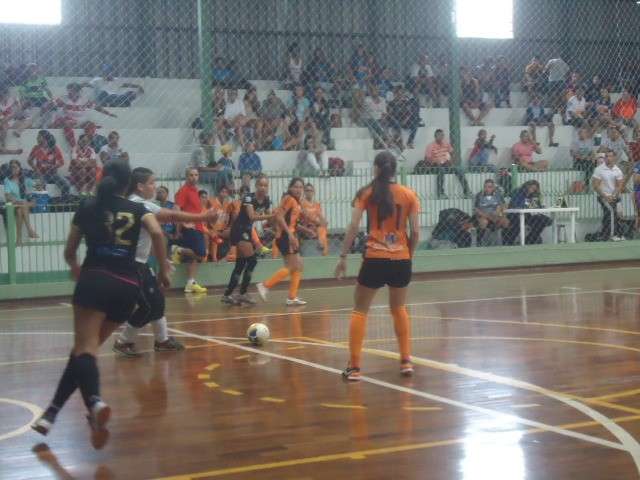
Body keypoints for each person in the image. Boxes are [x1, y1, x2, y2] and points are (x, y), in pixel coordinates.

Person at [31, 160, 170, 449]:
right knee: (85, 353)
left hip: (95, 279)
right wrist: (165, 269)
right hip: (128, 287)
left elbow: (69, 250)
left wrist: (74, 267)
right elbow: (157, 233)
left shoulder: (88, 206)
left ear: (103, 178)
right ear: (128, 184)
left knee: (84, 350)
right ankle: (51, 413)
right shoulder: (138, 208)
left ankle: (94, 402)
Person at [112, 168, 218, 357]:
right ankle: (124, 341)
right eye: (152, 183)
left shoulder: (124, 204)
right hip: (132, 265)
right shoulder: (142, 205)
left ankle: (161, 340)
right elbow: (172, 216)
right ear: (140, 186)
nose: (155, 186)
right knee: (148, 305)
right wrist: (203, 217)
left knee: (156, 300)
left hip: (130, 262)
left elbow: (144, 237)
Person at [335, 152, 420, 381]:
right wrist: (407, 255)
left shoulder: (366, 193)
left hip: (374, 258)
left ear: (375, 169)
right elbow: (416, 232)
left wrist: (343, 256)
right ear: (394, 170)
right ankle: (405, 362)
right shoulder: (409, 194)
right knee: (399, 309)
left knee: (360, 310)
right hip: (401, 259)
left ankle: (354, 367)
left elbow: (353, 225)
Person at [222, 174, 273, 305]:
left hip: (247, 231)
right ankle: (242, 293)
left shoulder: (266, 200)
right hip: (239, 230)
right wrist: (272, 215)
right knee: (252, 261)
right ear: (256, 186)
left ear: (268, 187)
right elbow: (251, 216)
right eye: (260, 185)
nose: (263, 187)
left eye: (265, 185)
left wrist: (276, 222)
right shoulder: (249, 198)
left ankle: (228, 295)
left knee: (241, 264)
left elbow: (269, 218)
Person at [256, 177, 307, 306]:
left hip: (290, 235)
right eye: (296, 186)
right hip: (285, 235)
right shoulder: (289, 199)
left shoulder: (296, 202)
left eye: (301, 187)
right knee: (292, 266)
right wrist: (290, 234)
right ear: (290, 188)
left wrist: (306, 230)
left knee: (299, 265)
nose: (298, 189)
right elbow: (279, 216)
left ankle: (292, 297)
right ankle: (264, 285)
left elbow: (293, 222)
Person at [174, 168, 209, 294]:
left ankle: (190, 283)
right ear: (186, 176)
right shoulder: (183, 190)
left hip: (198, 227)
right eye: (191, 175)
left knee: (194, 258)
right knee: (201, 254)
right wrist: (184, 224)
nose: (194, 177)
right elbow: (176, 209)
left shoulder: (195, 191)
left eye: (196, 175)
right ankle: (177, 250)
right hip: (191, 229)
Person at [418, 129, 471, 199]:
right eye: (439, 135)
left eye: (442, 135)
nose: (441, 137)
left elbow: (452, 153)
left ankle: (467, 191)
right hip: (435, 166)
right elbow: (426, 159)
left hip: (446, 164)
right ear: (435, 136)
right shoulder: (430, 146)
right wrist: (435, 161)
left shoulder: (446, 144)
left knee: (459, 169)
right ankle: (440, 193)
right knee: (441, 170)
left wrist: (451, 161)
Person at [503, 180, 552, 245]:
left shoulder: (534, 195)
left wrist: (537, 203)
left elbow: (534, 207)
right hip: (515, 215)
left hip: (528, 215)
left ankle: (530, 239)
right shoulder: (518, 192)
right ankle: (510, 242)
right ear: (527, 186)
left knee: (546, 220)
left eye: (535, 189)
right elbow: (516, 205)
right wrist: (528, 204)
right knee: (518, 222)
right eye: (532, 188)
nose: (533, 190)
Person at [27, 130, 71, 199]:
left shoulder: (54, 148)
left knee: (66, 185)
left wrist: (53, 166)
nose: (37, 138)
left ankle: (63, 200)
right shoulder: (36, 148)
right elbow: (29, 160)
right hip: (40, 173)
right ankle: (41, 202)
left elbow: (61, 162)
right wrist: (36, 169)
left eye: (39, 137)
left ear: (44, 138)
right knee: (39, 185)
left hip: (52, 173)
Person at [592, 150, 625, 241]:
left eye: (610, 156)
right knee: (611, 211)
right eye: (606, 156)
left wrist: (613, 196)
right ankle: (612, 235)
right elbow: (595, 186)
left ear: (614, 157)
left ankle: (611, 234)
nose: (607, 158)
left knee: (618, 214)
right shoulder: (599, 169)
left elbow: (619, 185)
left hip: (614, 196)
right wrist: (606, 196)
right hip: (602, 196)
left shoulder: (617, 170)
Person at [3, 159, 38, 243]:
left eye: (15, 167)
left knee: (21, 208)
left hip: (26, 203)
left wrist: (32, 193)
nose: (13, 170)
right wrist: (17, 201)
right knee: (20, 209)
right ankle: (30, 230)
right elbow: (7, 196)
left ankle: (19, 238)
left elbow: (38, 186)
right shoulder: (7, 180)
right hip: (14, 204)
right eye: (11, 168)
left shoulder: (26, 179)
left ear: (19, 168)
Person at [472, 179, 509, 245]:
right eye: (485, 187)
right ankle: (479, 241)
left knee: (505, 221)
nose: (487, 189)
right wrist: (486, 216)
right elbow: (476, 209)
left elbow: (504, 205)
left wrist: (500, 212)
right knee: (484, 222)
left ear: (493, 188)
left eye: (489, 187)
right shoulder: (479, 195)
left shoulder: (498, 195)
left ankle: (506, 242)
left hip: (495, 215)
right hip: (483, 216)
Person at [299, 183, 329, 256]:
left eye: (311, 191)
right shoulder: (301, 203)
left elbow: (320, 216)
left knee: (322, 229)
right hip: (306, 226)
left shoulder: (316, 204)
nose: (309, 192)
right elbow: (307, 216)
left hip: (315, 226)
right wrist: (319, 223)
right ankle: (323, 250)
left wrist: (324, 222)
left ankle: (324, 252)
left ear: (314, 192)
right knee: (321, 229)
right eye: (307, 190)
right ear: (304, 192)